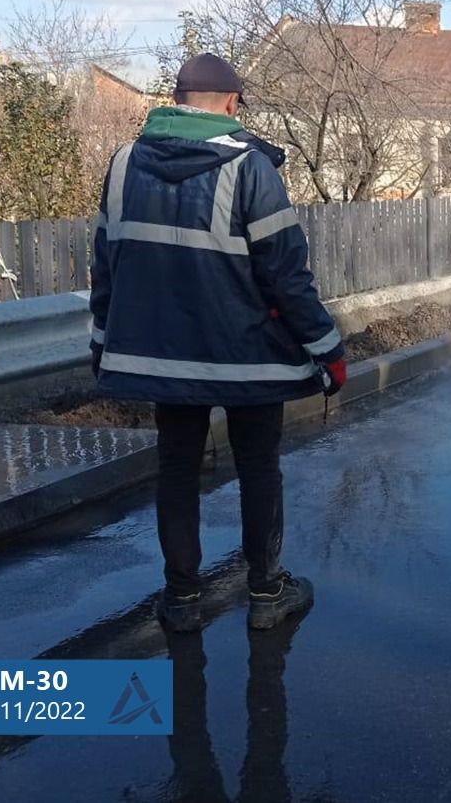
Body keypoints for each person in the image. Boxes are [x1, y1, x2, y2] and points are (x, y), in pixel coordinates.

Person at [90, 53, 346, 632]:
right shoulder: (251, 168)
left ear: (176, 99)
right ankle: (265, 592)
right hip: (246, 357)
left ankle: (180, 600)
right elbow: (286, 273)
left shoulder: (124, 163)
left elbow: (105, 264)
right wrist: (327, 348)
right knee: (258, 466)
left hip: (162, 356)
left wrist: (101, 341)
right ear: (231, 105)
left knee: (177, 469)